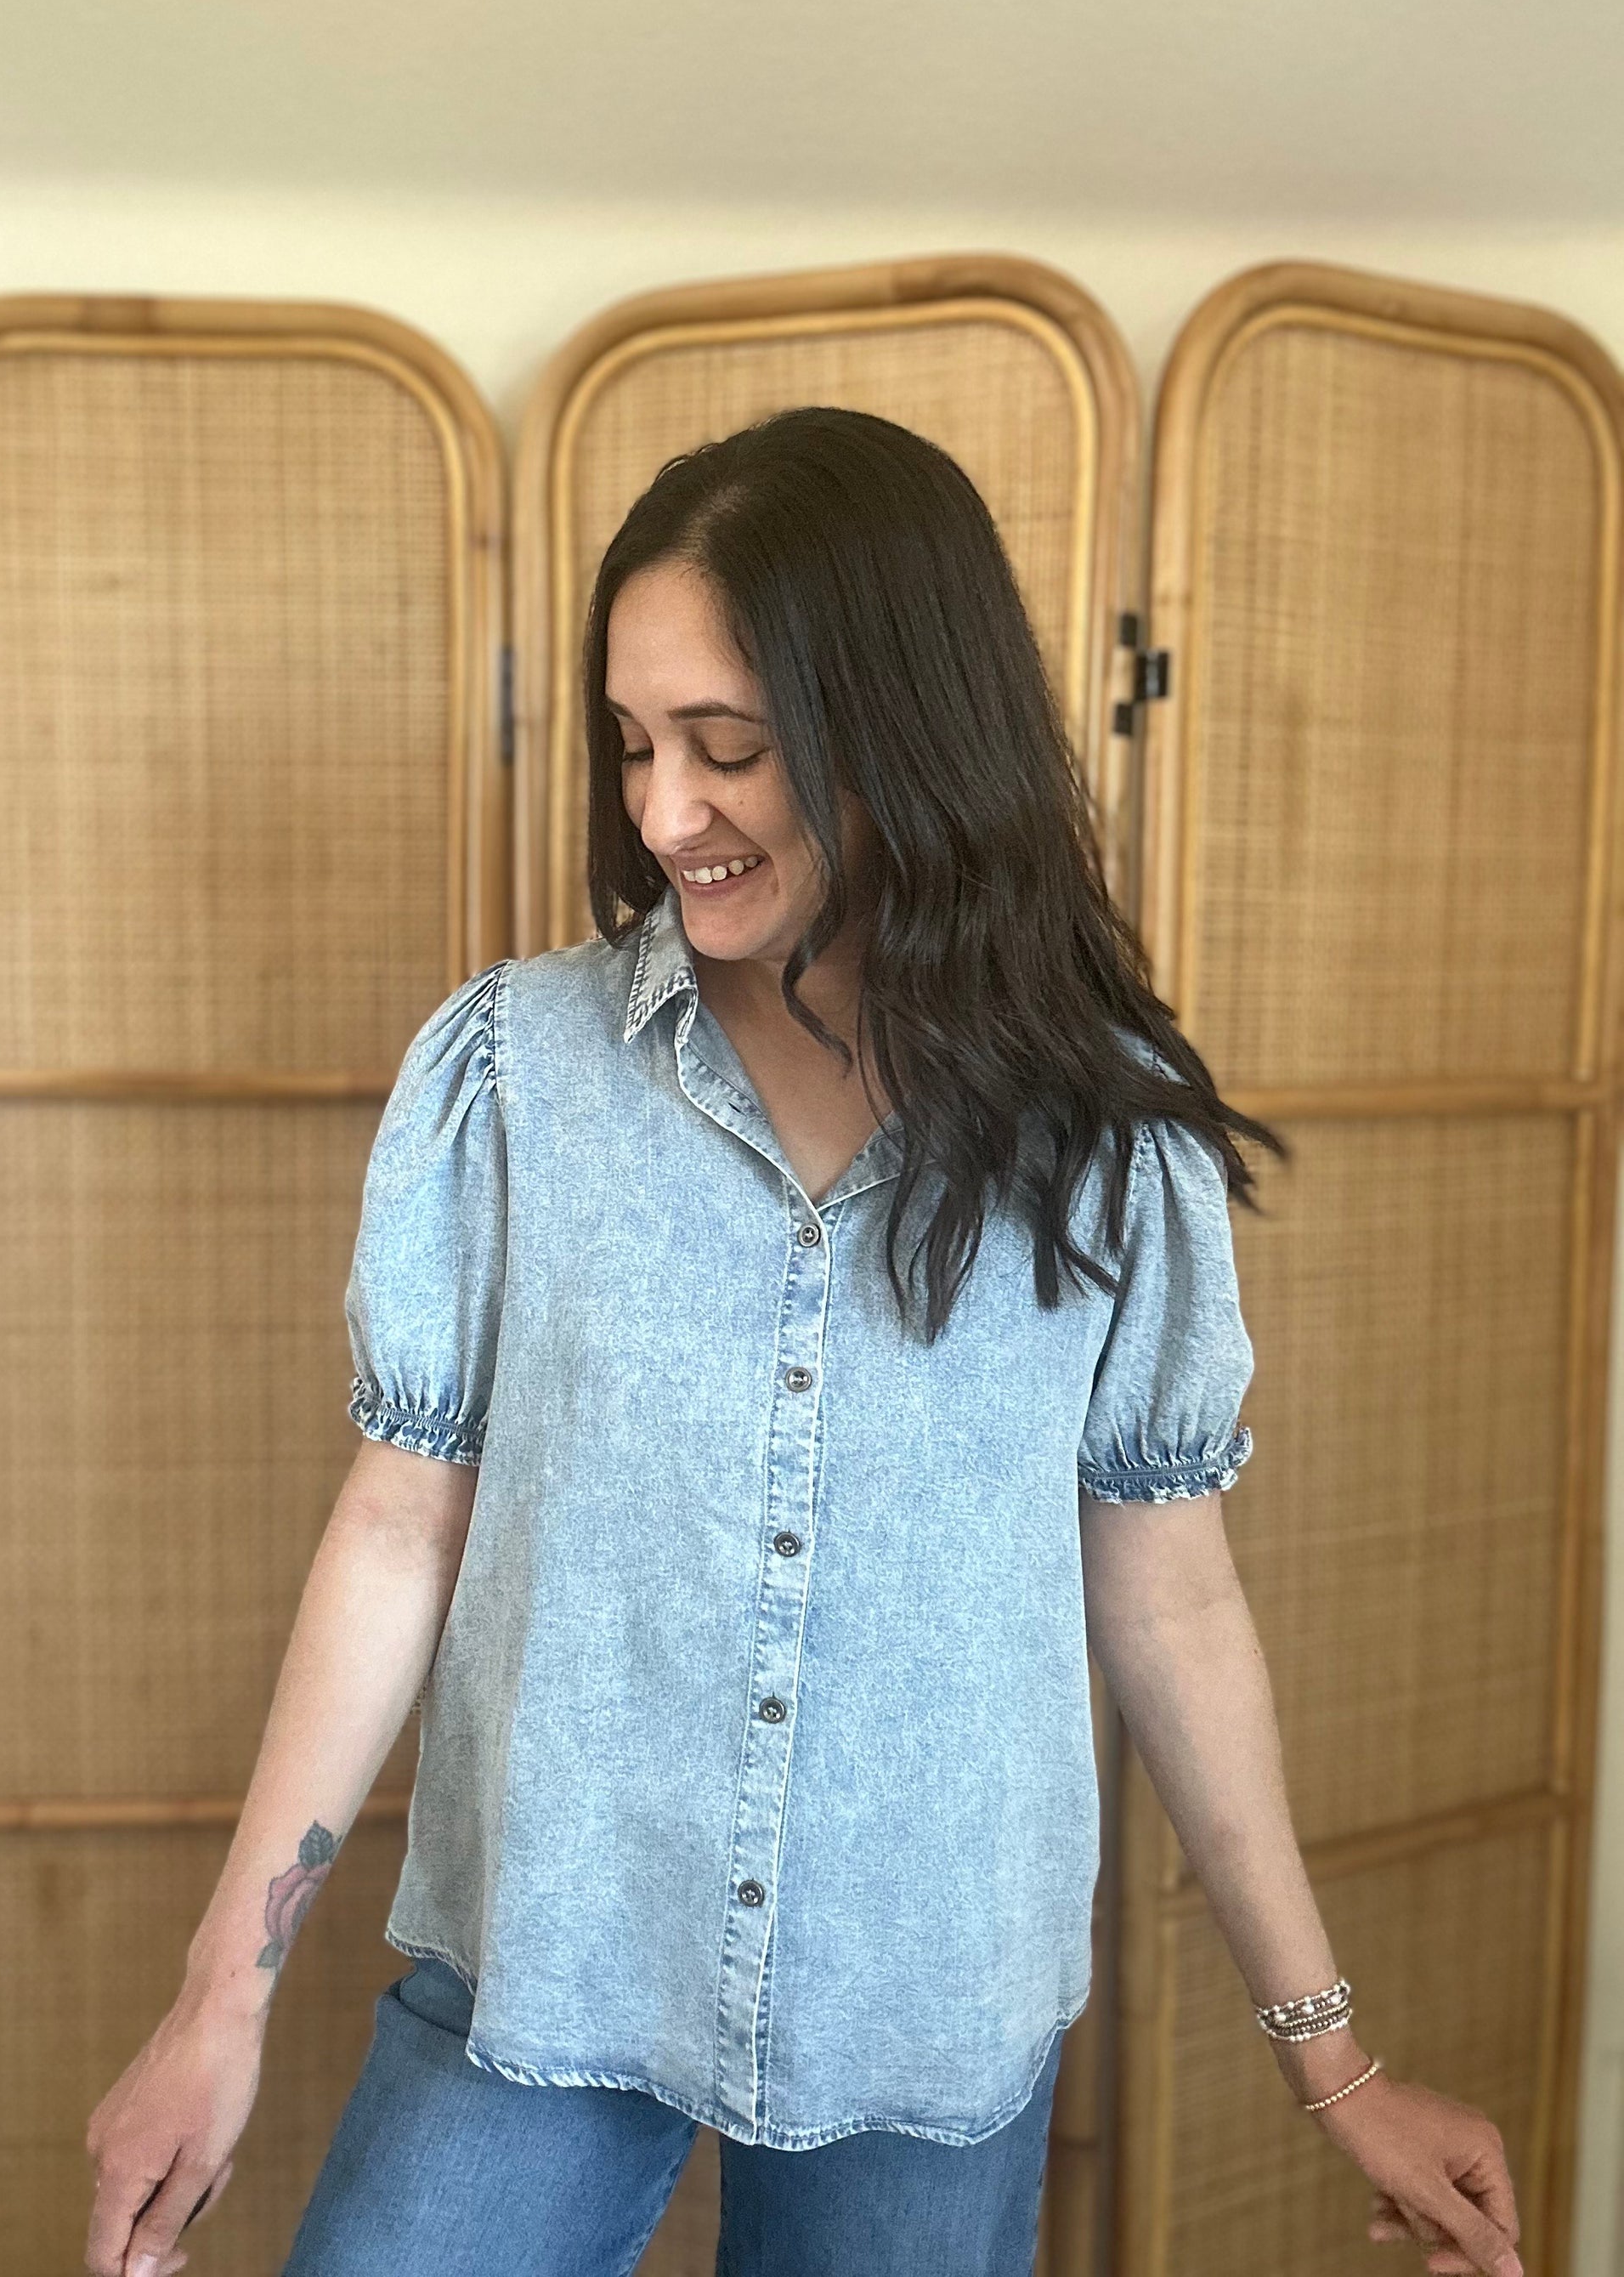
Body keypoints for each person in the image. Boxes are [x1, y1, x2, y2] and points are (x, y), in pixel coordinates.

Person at [83, 405, 1524, 2277]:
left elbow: (1171, 1600)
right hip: (546, 1949)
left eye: (730, 747)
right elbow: (398, 1524)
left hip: (927, 1996)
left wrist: (1336, 2068)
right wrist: (220, 1999)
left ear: (903, 727)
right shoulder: (517, 1073)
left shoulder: (1110, 1136)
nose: (661, 813)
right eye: (633, 743)